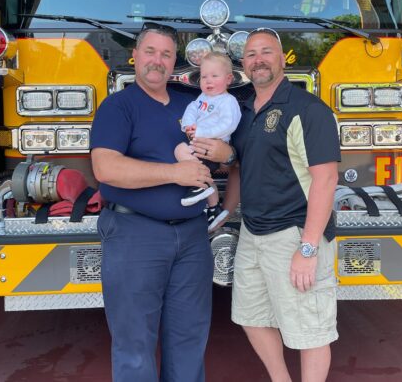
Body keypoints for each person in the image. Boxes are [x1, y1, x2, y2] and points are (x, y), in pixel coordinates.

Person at [192, 28, 340, 382]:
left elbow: (326, 180)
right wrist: (226, 211)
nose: (258, 60)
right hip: (253, 232)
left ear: (282, 58)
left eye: (266, 52)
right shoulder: (244, 112)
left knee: (310, 329)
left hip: (294, 233)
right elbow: (240, 166)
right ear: (243, 65)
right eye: (251, 54)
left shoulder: (308, 109)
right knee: (251, 317)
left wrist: (307, 248)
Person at [90, 22, 214, 382]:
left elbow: (222, 150)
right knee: (134, 345)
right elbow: (106, 168)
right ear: (135, 56)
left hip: (192, 237)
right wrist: (175, 173)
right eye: (150, 51)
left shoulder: (191, 105)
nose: (157, 60)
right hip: (134, 235)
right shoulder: (118, 107)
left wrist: (225, 155)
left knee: (189, 339)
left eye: (166, 54)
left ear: (175, 61)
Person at [175, 52, 241, 232]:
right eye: (204, 77)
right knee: (183, 152)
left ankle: (197, 186)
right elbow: (191, 110)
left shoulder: (228, 101)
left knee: (181, 151)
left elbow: (228, 125)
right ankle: (214, 209)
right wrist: (188, 125)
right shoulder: (202, 99)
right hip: (198, 142)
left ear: (228, 79)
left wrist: (201, 131)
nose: (208, 81)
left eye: (214, 76)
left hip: (212, 148)